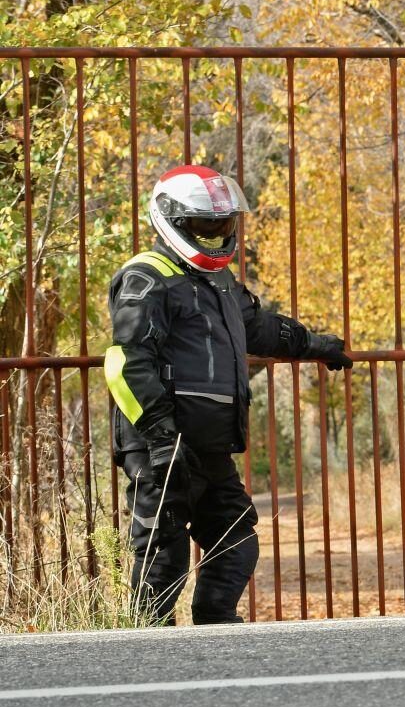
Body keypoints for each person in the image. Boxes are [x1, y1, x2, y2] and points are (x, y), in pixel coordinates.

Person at [103, 165, 352, 625]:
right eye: (203, 225)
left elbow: (257, 327)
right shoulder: (146, 277)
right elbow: (125, 362)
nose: (215, 234)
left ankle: (216, 634)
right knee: (163, 553)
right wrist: (161, 438)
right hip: (160, 445)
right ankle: (144, 645)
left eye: (222, 224)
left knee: (235, 538)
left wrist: (316, 345)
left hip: (209, 447)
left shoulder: (218, 282)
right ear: (172, 221)